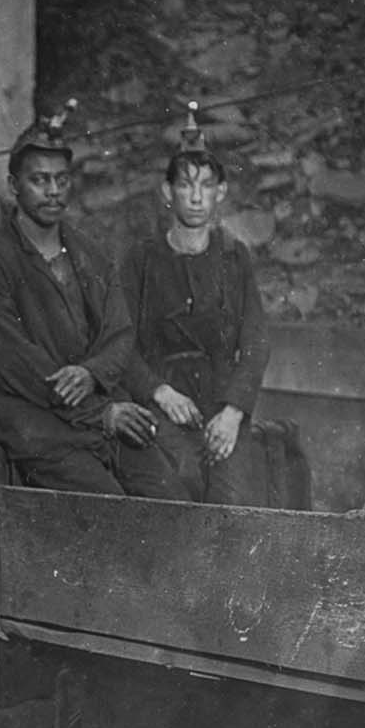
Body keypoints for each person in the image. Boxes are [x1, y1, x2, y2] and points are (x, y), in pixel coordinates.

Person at [0, 105, 187, 499]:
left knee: (173, 500)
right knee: (110, 512)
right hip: (43, 432)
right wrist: (101, 413)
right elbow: (15, 362)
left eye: (62, 180)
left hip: (108, 417)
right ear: (14, 185)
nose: (53, 191)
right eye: (39, 180)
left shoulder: (92, 254)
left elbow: (120, 333)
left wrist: (92, 374)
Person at [119, 105, 272, 504]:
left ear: (221, 192)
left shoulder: (234, 257)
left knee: (234, 498)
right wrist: (159, 392)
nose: (197, 197)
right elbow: (120, 343)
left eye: (207, 185)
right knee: (177, 486)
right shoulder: (141, 260)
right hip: (162, 404)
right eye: (186, 185)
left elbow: (255, 343)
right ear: (167, 192)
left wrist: (233, 413)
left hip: (220, 403)